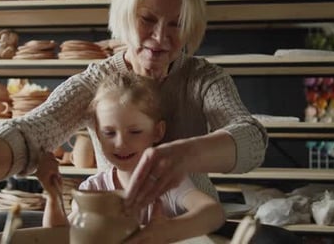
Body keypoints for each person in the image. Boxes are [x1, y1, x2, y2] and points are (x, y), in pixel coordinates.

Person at [0, 0, 270, 241]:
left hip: (190, 223)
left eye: (177, 24)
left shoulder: (204, 78)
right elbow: (30, 131)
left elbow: (250, 139)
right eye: (148, 20)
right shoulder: (97, 81)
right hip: (114, 223)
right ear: (125, 16)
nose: (161, 38)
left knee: (272, 239)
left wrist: (184, 154)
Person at [36, 72, 225, 243]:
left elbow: (213, 213)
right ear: (98, 135)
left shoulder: (166, 183)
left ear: (157, 132)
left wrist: (166, 232)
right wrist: (53, 197)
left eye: (135, 132)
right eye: (109, 133)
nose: (120, 143)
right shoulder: (93, 189)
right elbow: (58, 237)